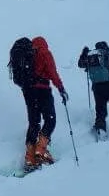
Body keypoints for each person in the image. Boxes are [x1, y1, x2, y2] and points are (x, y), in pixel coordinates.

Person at [8, 36, 67, 171]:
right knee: (50, 119)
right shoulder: (44, 52)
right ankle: (41, 150)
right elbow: (53, 72)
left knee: (34, 122)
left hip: (28, 91)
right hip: (43, 90)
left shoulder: (28, 54)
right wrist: (61, 89)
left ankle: (30, 157)